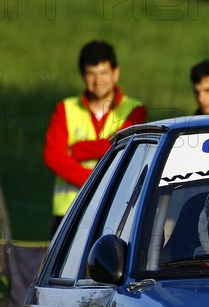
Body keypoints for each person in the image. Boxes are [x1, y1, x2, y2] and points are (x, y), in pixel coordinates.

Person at [43, 40, 146, 232]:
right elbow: (53, 156)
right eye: (91, 74)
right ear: (82, 75)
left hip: (115, 209)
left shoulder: (134, 110)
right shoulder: (65, 109)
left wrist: (76, 149)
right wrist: (95, 181)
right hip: (69, 211)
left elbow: (122, 148)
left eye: (104, 73)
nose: (98, 81)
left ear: (116, 73)